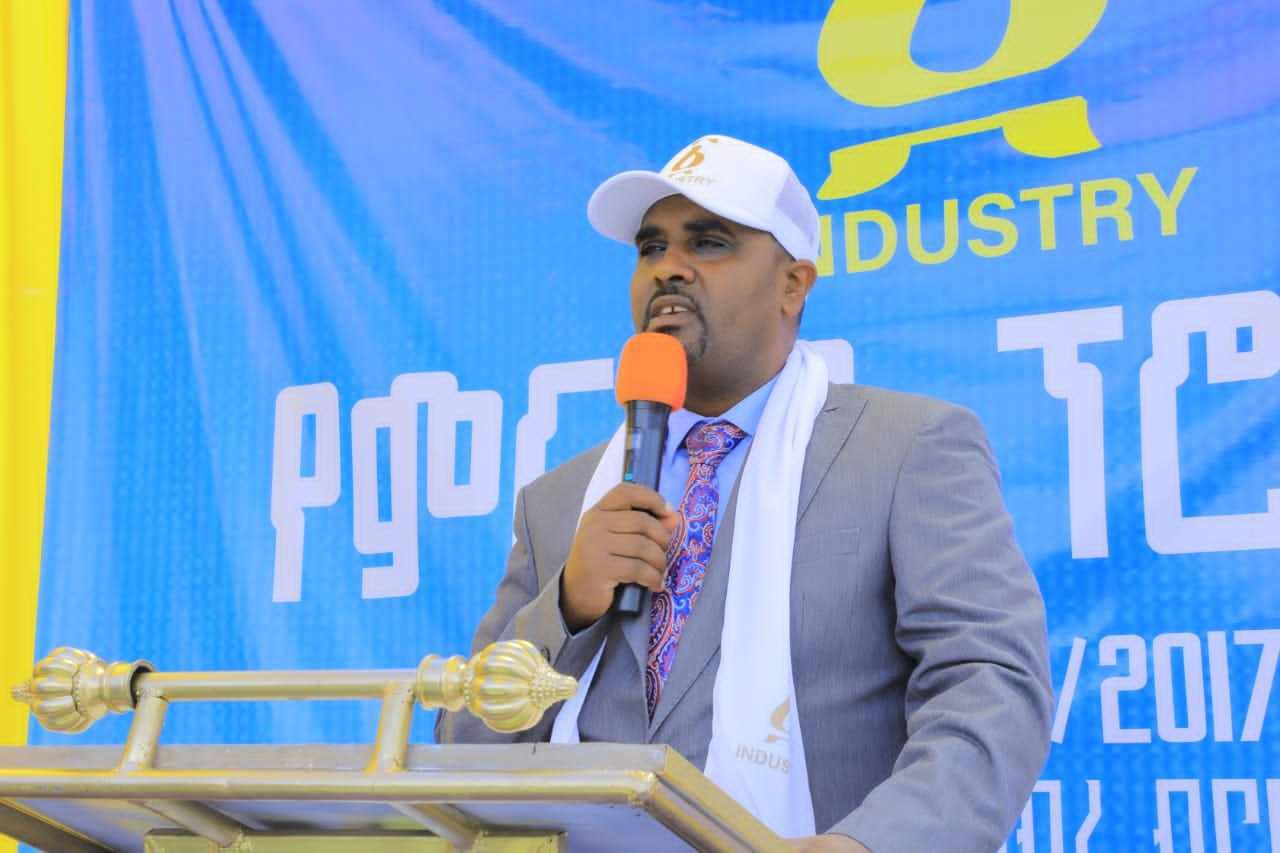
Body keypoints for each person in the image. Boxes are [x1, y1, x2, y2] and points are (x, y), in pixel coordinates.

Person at [437, 135, 1053, 852]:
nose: (669, 267)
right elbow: (459, 746)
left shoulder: (907, 449)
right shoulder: (560, 503)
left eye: (709, 242)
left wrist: (867, 844)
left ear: (793, 284)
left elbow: (991, 686)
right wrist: (568, 604)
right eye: (651, 247)